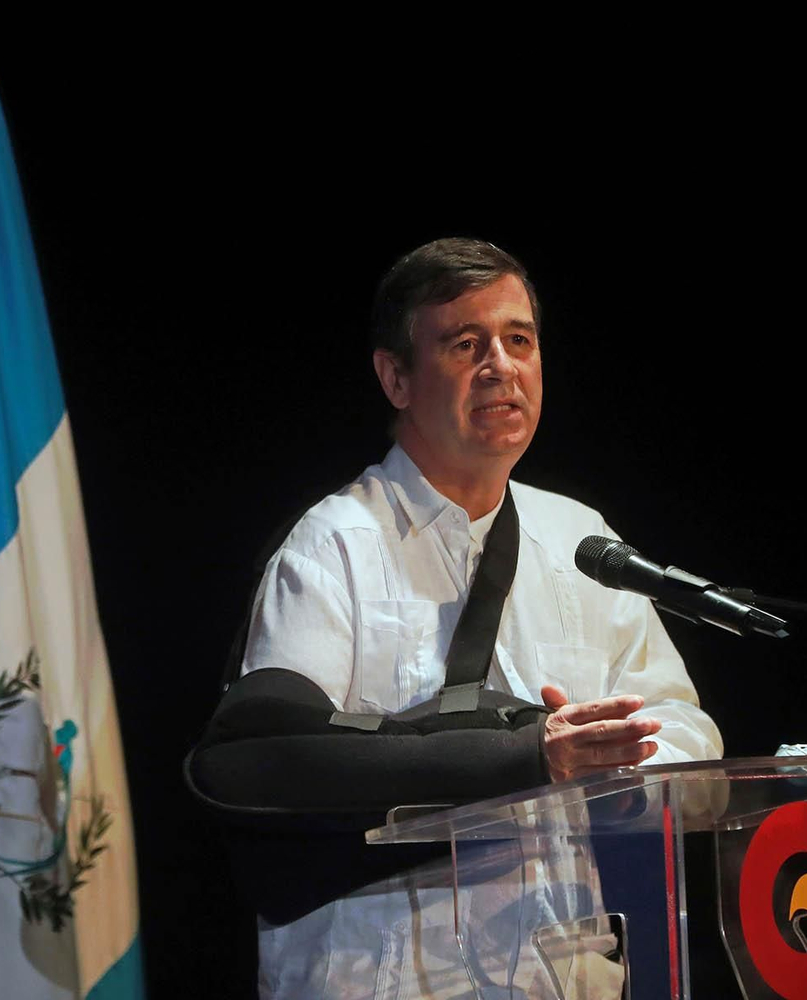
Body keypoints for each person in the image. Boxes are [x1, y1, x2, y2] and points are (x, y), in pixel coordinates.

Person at [233, 237, 723, 997]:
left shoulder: (582, 541)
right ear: (395, 377)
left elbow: (694, 744)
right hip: (384, 978)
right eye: (466, 344)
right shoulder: (331, 547)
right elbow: (278, 772)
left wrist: (620, 768)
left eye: (519, 340)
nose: (502, 365)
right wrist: (518, 757)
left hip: (563, 976)